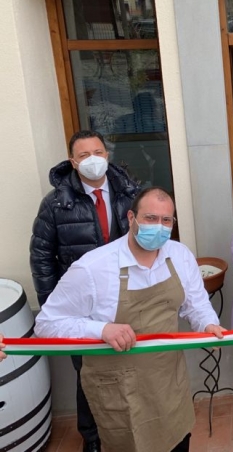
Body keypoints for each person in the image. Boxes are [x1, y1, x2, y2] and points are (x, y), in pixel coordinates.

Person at [35, 187, 224, 452]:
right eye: (150, 218)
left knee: (178, 441)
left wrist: (208, 324)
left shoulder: (180, 256)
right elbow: (46, 324)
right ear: (131, 217)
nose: (159, 226)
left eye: (166, 220)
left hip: (168, 381)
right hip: (121, 391)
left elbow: (197, 303)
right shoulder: (92, 268)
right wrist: (101, 329)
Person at [29, 129, 139, 452]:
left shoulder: (129, 193)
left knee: (131, 366)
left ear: (107, 154)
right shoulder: (56, 204)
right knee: (89, 374)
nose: (93, 160)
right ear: (73, 162)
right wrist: (54, 310)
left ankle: (132, 428)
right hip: (82, 307)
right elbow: (41, 259)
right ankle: (92, 438)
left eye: (98, 152)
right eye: (84, 155)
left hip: (126, 298)